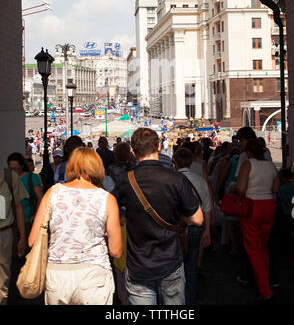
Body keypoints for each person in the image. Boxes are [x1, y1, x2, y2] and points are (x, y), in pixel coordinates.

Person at [111, 127, 203, 306]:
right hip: (170, 262)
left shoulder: (125, 180)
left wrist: (125, 217)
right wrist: (181, 218)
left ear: (133, 152)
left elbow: (110, 211)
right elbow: (198, 219)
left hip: (138, 265)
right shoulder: (176, 179)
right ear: (159, 147)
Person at [28, 147, 123, 305]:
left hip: (57, 276)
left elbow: (32, 241)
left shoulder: (52, 193)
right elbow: (116, 250)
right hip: (94, 275)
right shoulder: (106, 198)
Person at [237, 138, 280, 301]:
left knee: (253, 250)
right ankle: (267, 280)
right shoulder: (271, 166)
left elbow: (241, 188)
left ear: (248, 152)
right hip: (269, 206)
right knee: (263, 246)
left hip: (252, 207)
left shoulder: (248, 164)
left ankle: (265, 290)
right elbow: (276, 188)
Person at [173, 148, 212, 304]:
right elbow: (207, 207)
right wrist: (207, 230)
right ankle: (189, 299)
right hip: (196, 226)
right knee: (192, 265)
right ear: (190, 162)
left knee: (175, 267)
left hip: (177, 228)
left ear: (174, 162)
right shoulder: (200, 180)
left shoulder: (172, 180)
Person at [0, 165, 28, 304]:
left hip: (4, 235)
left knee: (3, 281)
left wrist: (22, 237)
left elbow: (19, 207)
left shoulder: (9, 177)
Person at [7, 152, 43, 238]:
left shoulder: (32, 178)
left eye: (16, 169)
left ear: (22, 166)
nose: (13, 172)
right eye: (10, 169)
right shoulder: (6, 178)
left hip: (28, 220)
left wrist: (36, 216)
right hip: (10, 222)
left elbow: (40, 198)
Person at [279, 169, 294, 247]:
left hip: (288, 212)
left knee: (290, 229)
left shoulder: (282, 189)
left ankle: (293, 244)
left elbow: (286, 202)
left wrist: (291, 211)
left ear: (283, 177)